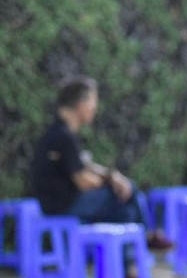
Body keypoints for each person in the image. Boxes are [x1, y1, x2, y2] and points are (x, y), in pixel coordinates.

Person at [31, 76, 172, 250]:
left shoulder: (58, 133)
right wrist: (112, 182)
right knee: (129, 191)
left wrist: (112, 177)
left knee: (125, 212)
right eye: (93, 102)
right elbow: (84, 182)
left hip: (57, 203)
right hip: (63, 205)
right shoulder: (63, 137)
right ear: (82, 105)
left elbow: (85, 167)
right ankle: (145, 240)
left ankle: (129, 262)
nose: (95, 108)